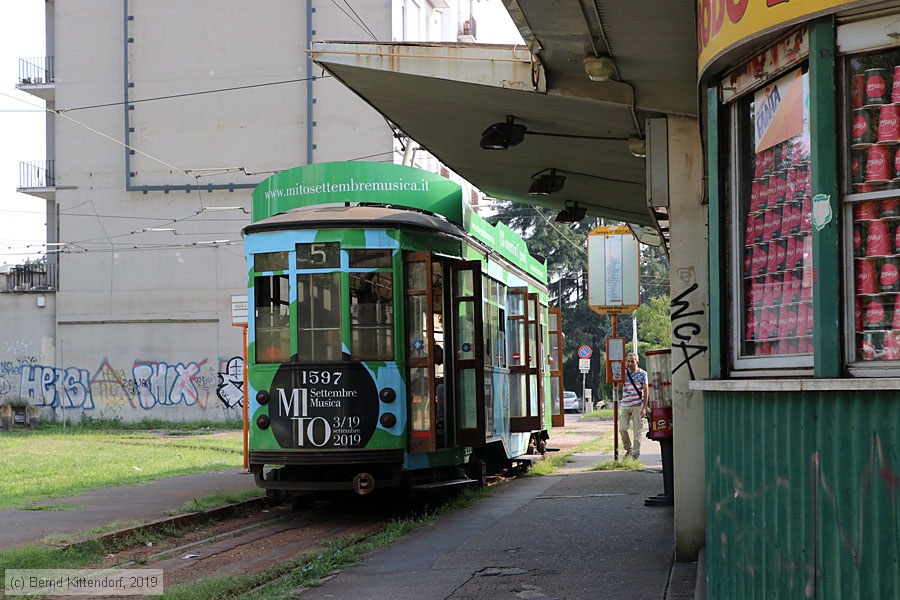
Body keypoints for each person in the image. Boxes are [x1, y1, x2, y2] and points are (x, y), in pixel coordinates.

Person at [617, 352, 650, 460]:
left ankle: (635, 455)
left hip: (637, 405)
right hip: (625, 405)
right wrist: (621, 376)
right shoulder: (625, 373)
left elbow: (646, 391)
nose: (630, 363)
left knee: (637, 431)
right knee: (622, 428)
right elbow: (619, 388)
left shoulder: (643, 374)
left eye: (632, 361)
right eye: (628, 361)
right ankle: (628, 449)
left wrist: (644, 408)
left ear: (637, 362)